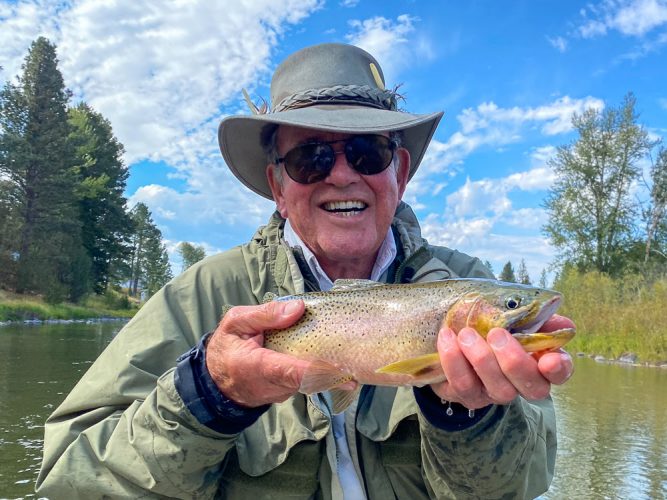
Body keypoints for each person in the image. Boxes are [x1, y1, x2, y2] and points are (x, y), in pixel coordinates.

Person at [36, 43, 574, 499]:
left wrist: (468, 419)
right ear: (278, 186)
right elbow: (67, 479)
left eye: (367, 152)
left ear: (400, 172)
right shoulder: (203, 295)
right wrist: (209, 395)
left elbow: (521, 486)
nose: (341, 176)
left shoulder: (464, 280)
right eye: (310, 158)